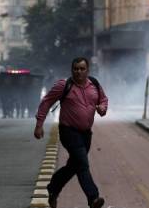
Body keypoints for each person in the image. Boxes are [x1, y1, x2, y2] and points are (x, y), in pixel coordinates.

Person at [34, 57, 108, 208]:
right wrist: (39, 124)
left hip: (86, 133)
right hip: (68, 131)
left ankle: (53, 188)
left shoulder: (94, 84)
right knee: (82, 164)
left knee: (73, 166)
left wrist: (102, 108)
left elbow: (104, 99)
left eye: (82, 69)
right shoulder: (64, 85)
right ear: (71, 70)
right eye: (76, 69)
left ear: (87, 70)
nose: (79, 72)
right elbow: (46, 102)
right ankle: (93, 198)